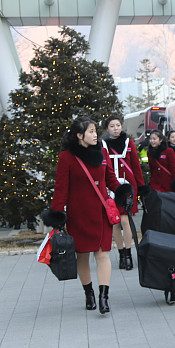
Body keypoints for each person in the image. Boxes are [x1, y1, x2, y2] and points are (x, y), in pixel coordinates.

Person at [43, 116, 132, 313]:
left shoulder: (101, 151)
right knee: (82, 256)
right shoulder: (67, 156)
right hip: (79, 215)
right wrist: (57, 214)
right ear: (79, 135)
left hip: (101, 212)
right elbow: (61, 188)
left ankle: (103, 297)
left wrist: (123, 192)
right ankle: (89, 293)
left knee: (102, 254)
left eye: (95, 131)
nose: (95, 135)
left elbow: (110, 178)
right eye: (90, 132)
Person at [101, 115, 145, 271]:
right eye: (112, 126)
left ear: (122, 126)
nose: (115, 128)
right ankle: (121, 253)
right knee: (115, 222)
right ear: (107, 128)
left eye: (118, 125)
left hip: (127, 186)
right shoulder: (102, 144)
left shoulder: (128, 142)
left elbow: (136, 166)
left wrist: (141, 188)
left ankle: (128, 253)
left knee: (125, 220)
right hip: (110, 186)